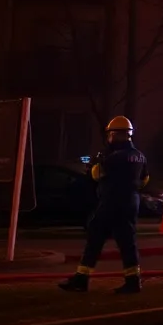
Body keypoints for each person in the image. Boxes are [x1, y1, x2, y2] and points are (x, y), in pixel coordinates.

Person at [59, 116, 150, 294]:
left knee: (95, 238)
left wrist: (96, 163)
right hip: (131, 202)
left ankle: (81, 279)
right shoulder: (140, 156)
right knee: (127, 242)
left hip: (111, 202)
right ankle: (133, 281)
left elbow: (95, 175)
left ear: (114, 135)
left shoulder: (112, 158)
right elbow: (145, 180)